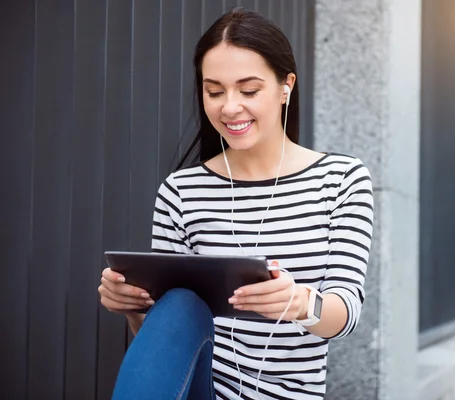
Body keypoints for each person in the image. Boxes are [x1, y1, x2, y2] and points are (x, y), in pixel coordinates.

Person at [97, 7, 373, 400]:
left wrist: (299, 302)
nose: (229, 107)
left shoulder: (341, 180)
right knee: (176, 304)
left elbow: (344, 314)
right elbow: (165, 338)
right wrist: (132, 304)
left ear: (285, 87)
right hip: (203, 390)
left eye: (248, 90)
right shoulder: (181, 191)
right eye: (214, 91)